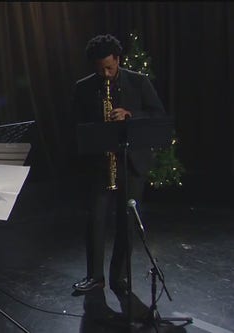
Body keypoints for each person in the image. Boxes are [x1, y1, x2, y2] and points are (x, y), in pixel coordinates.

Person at [70, 34, 166, 295]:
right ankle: (95, 276)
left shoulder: (138, 81)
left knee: (127, 223)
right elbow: (76, 126)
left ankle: (119, 276)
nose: (106, 73)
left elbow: (157, 116)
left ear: (118, 60)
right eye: (100, 69)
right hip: (100, 165)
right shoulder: (84, 87)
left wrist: (130, 115)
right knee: (95, 221)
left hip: (131, 163)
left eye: (110, 67)